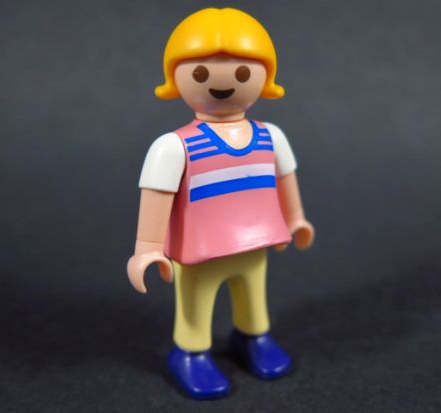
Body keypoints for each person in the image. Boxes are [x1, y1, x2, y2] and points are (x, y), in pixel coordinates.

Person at [126, 7, 315, 400]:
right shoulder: (173, 147)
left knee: (253, 292)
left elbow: (285, 177)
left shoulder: (271, 136)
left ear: (265, 78)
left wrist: (295, 217)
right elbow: (156, 196)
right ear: (176, 78)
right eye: (200, 73)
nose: (224, 84)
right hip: (200, 250)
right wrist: (147, 249)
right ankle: (190, 352)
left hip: (256, 240)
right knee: (196, 302)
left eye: (243, 73)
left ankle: (253, 336)